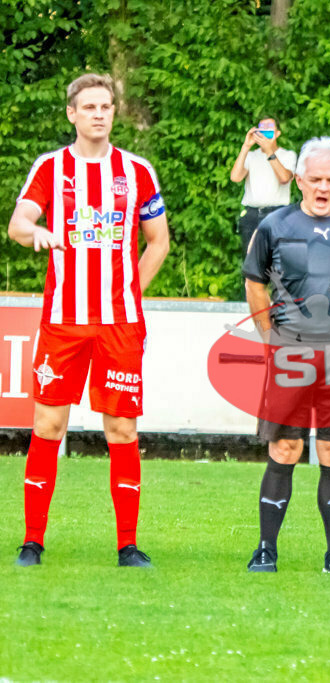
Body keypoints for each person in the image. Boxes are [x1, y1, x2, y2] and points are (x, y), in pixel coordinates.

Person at [7, 73, 170, 568]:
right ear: (72, 114)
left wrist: (128, 291)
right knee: (48, 424)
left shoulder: (137, 170)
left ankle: (128, 545)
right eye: (90, 107)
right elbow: (17, 224)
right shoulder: (52, 168)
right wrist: (35, 232)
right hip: (64, 322)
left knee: (121, 430)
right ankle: (32, 541)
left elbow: (157, 241)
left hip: (119, 324)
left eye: (107, 106)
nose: (99, 114)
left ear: (114, 113)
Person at [242, 136, 330, 575]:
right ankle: (266, 549)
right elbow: (254, 282)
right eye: (315, 179)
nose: (322, 187)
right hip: (291, 350)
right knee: (285, 447)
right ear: (299, 180)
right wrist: (270, 336)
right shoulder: (274, 226)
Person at [229, 117, 296, 257]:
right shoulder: (251, 156)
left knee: (278, 261)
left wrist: (270, 152)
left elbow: (284, 178)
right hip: (252, 214)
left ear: (277, 133)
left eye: (269, 126)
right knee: (251, 261)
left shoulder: (288, 155)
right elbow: (235, 177)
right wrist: (246, 146)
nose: (265, 129)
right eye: (262, 126)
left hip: (278, 213)